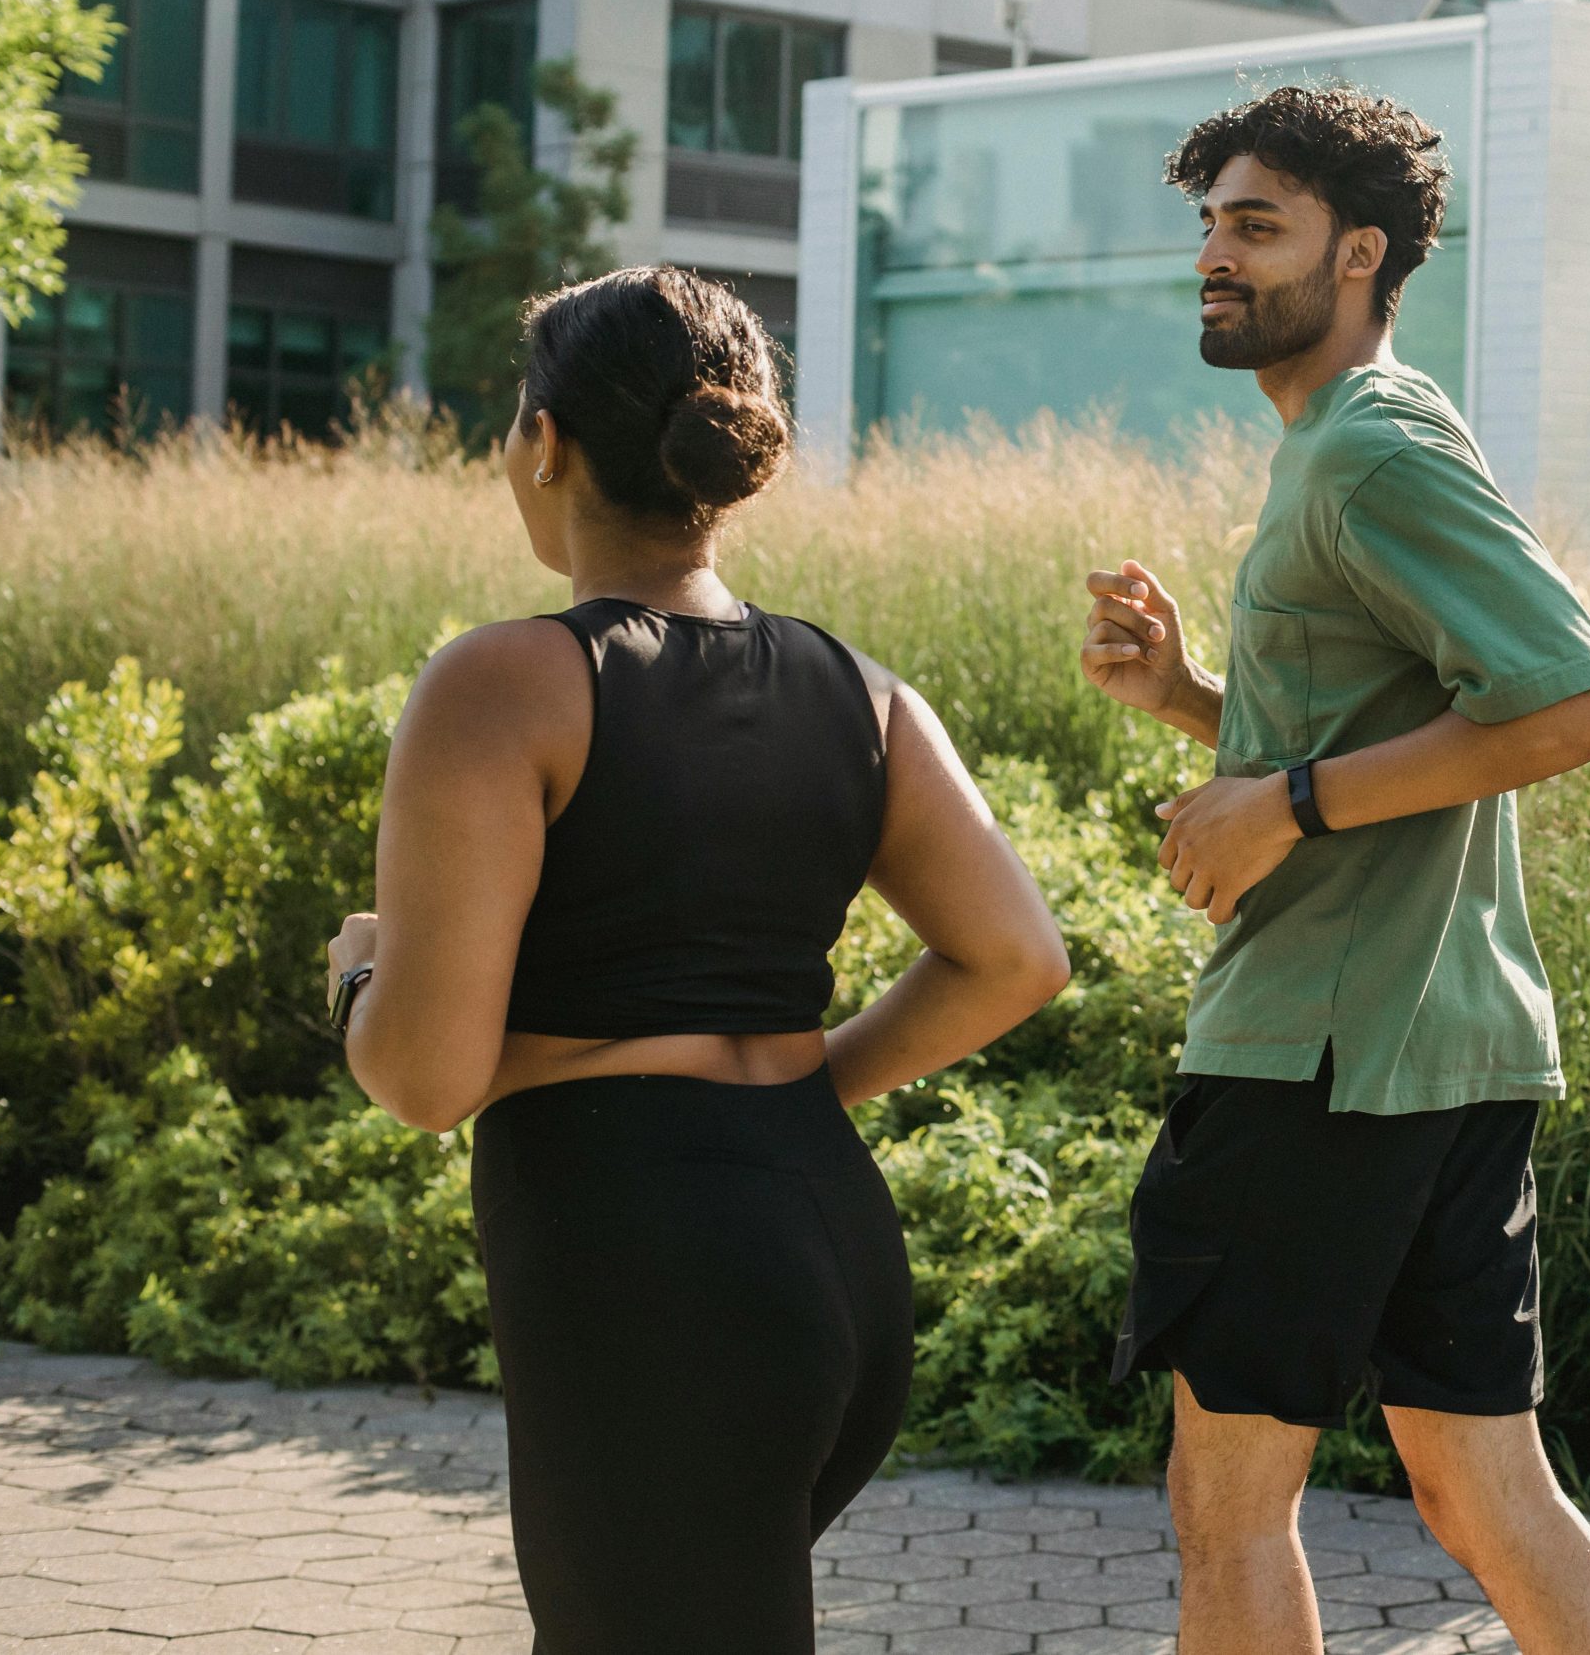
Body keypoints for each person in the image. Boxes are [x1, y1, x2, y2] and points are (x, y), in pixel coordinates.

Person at [324, 266, 1070, 1655]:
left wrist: (364, 972)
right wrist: (793, 1104)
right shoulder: (867, 694)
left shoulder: (501, 685)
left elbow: (427, 1079)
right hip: (832, 1255)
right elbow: (1015, 959)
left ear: (545, 443)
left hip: (644, 1273)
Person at [1079, 86, 1590, 1655]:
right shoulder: (1347, 449)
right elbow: (1414, 719)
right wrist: (1201, 705)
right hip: (1437, 1047)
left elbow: (1574, 704)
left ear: (1359, 254)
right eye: (1209, 224)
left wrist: (1287, 805)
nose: (1214, 254)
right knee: (1486, 1492)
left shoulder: (1368, 450)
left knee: (1229, 1506)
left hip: (1324, 1059)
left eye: (1254, 227)